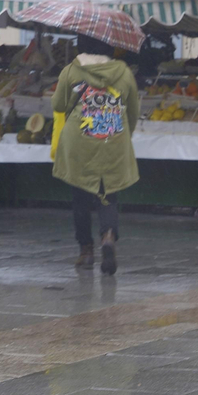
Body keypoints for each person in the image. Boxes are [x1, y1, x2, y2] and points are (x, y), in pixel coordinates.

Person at [51, 35, 139, 275]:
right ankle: (108, 236)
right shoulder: (123, 72)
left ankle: (86, 251)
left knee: (80, 196)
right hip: (112, 136)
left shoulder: (71, 70)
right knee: (108, 193)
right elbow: (133, 110)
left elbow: (58, 104)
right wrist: (124, 134)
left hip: (79, 140)